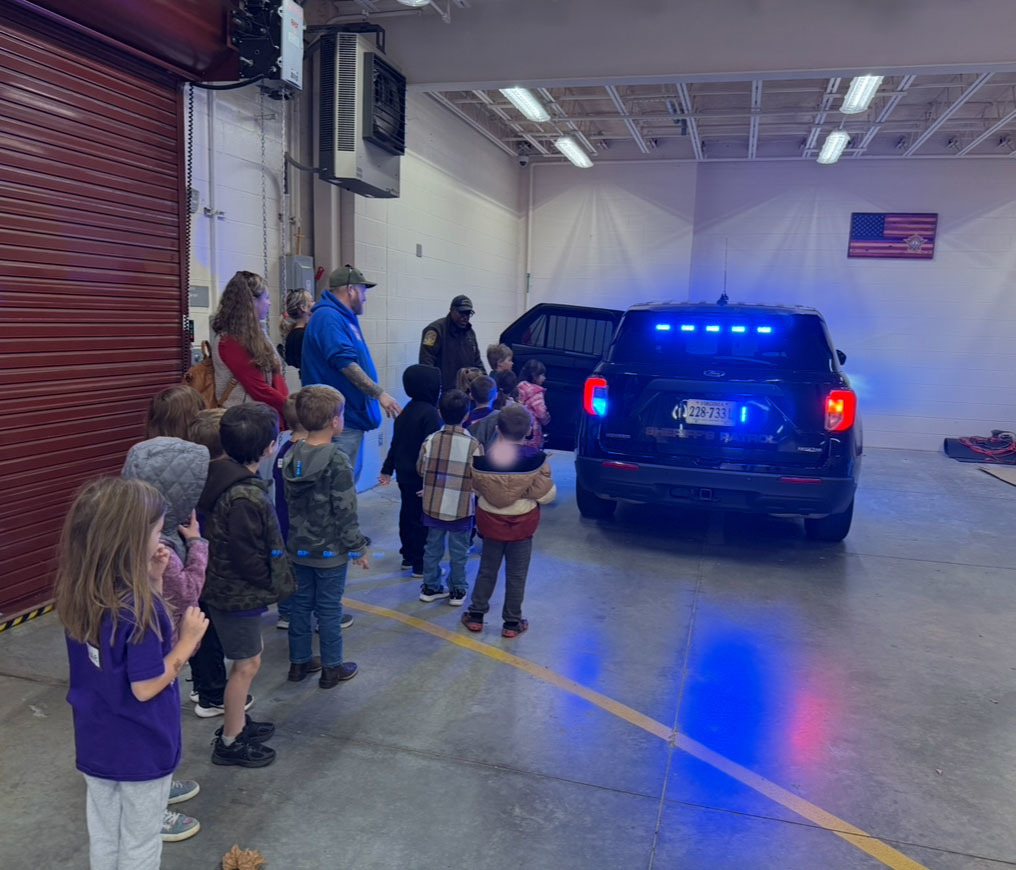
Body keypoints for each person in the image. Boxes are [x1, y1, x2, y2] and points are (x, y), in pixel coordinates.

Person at [55, 476, 209, 869]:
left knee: (105, 835)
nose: (162, 541)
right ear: (130, 540)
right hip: (141, 745)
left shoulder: (81, 593)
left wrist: (155, 581)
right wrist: (187, 643)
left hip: (97, 740)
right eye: (157, 531)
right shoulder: (140, 609)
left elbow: (122, 653)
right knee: (141, 843)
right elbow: (145, 685)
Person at [198, 403, 294, 767]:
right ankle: (230, 740)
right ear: (270, 447)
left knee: (247, 659)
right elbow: (246, 554)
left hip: (224, 589)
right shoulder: (245, 495)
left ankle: (237, 721)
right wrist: (268, 580)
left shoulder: (220, 477)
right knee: (246, 664)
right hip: (237, 595)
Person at [282, 386, 370, 688]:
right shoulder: (337, 460)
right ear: (335, 421)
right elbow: (345, 510)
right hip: (330, 553)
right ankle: (332, 668)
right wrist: (358, 547)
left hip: (298, 549)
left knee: (300, 607)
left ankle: (300, 663)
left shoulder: (292, 454)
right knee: (329, 610)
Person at [461, 404, 556, 638]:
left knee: (487, 570)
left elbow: (474, 487)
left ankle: (476, 615)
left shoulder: (483, 459)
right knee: (517, 575)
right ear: (527, 432)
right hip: (522, 526)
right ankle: (512, 623)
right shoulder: (537, 460)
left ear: (498, 430)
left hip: (491, 523)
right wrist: (525, 492)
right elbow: (547, 495)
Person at [300, 265, 401, 483]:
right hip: (337, 422)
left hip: (349, 419)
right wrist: (379, 394)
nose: (364, 298)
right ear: (351, 290)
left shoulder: (342, 317)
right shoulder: (328, 317)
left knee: (346, 482)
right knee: (338, 486)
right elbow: (345, 363)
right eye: (363, 291)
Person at [417, 389, 483, 606]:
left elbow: (421, 468)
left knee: (432, 548)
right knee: (459, 551)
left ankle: (430, 587)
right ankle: (457, 590)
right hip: (461, 508)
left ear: (440, 413)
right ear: (467, 415)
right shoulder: (473, 445)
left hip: (433, 505)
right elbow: (478, 477)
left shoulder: (430, 440)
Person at [378, 365, 443, 579]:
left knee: (407, 513)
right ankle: (420, 563)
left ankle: (407, 555)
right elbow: (432, 450)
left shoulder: (406, 410)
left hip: (404, 475)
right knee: (422, 519)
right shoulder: (431, 414)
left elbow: (396, 443)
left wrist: (387, 469)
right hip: (421, 476)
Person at [210, 270, 289, 416]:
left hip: (263, 415)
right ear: (251, 301)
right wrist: (291, 407)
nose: (269, 303)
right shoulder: (230, 341)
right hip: (245, 421)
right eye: (266, 298)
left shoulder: (256, 334)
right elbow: (258, 388)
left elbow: (275, 375)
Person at [419, 295, 484, 393]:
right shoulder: (435, 331)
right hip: (444, 392)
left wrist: (486, 384)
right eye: (461, 313)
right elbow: (426, 364)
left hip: (468, 391)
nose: (465, 317)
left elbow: (477, 362)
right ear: (452, 310)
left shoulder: (470, 333)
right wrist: (432, 391)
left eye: (468, 314)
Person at [516, 359, 551, 449]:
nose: (544, 378)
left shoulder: (519, 388)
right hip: (533, 432)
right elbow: (541, 413)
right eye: (542, 375)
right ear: (534, 376)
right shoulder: (537, 392)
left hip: (518, 428)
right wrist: (547, 418)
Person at [280, 288, 313, 376]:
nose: (315, 303)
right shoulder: (303, 336)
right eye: (312, 301)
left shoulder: (292, 334)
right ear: (303, 308)